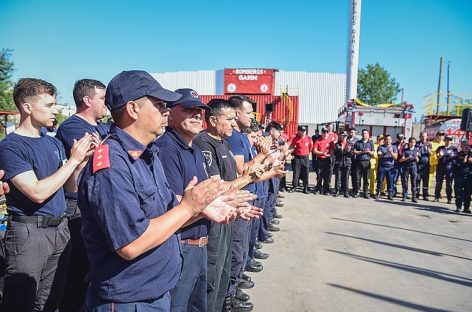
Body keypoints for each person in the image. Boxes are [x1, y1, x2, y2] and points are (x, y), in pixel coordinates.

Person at [77, 70, 230, 311]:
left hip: (155, 292)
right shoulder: (111, 165)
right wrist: (189, 207)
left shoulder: (147, 155)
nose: (166, 111)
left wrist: (202, 207)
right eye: (159, 104)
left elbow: (166, 208)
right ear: (132, 109)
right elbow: (131, 244)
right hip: (128, 300)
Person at [0, 78, 96, 311]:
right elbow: (37, 193)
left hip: (60, 229)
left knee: (52, 300)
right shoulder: (12, 146)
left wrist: (80, 163)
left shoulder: (52, 143)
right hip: (30, 234)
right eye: (49, 105)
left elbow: (69, 189)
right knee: (21, 302)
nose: (55, 111)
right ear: (27, 107)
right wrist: (72, 161)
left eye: (55, 105)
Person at [193, 98, 266, 312]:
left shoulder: (223, 142)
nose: (234, 124)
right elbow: (218, 187)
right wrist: (248, 178)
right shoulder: (204, 144)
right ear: (214, 120)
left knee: (224, 272)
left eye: (235, 119)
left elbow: (232, 177)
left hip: (227, 215)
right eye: (230, 119)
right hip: (212, 222)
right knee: (212, 277)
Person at [154, 88, 213, 312]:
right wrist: (211, 207)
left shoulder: (195, 150)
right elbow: (172, 201)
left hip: (199, 245)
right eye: (189, 109)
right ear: (170, 113)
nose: (198, 114)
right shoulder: (166, 148)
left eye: (200, 110)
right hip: (180, 246)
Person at [55, 78, 110, 312]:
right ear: (87, 100)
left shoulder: (103, 128)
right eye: (102, 98)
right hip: (77, 205)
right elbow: (99, 154)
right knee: (78, 272)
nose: (107, 103)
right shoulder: (72, 127)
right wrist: (104, 146)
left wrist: (105, 144)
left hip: (95, 203)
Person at [289, 125, 313, 193]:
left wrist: (306, 153)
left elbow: (310, 148)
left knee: (306, 173)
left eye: (304, 131)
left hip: (305, 158)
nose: (303, 132)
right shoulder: (295, 138)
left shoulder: (309, 139)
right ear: (298, 131)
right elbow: (292, 147)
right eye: (301, 131)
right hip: (297, 158)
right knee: (296, 173)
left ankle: (305, 188)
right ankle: (294, 187)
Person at [434, 135, 457, 204]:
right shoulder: (440, 148)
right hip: (441, 167)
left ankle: (449, 198)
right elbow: (438, 156)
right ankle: (437, 197)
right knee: (438, 183)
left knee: (449, 184)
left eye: (450, 140)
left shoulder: (454, 148)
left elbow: (455, 157)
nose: (448, 141)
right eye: (447, 139)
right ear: (445, 140)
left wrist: (453, 156)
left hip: (449, 167)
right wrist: (440, 155)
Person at [376, 134, 398, 200]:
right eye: (386, 139)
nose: (388, 141)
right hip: (382, 166)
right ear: (384, 140)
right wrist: (385, 153)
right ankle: (378, 193)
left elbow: (395, 157)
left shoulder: (394, 147)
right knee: (380, 180)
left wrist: (391, 152)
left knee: (390, 181)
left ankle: (390, 194)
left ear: (391, 140)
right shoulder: (380, 147)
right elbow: (379, 156)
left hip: (391, 167)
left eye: (389, 139)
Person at [353, 129, 374, 198]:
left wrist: (368, 151)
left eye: (366, 133)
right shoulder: (357, 142)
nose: (364, 135)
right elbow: (354, 152)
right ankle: (357, 192)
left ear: (368, 135)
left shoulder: (371, 143)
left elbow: (373, 153)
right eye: (363, 133)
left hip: (367, 162)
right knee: (357, 179)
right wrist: (361, 151)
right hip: (358, 162)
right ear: (361, 135)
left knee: (366, 179)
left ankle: (365, 193)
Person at [312, 128, 334, 195]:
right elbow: (314, 151)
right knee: (319, 175)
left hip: (327, 160)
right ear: (322, 133)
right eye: (324, 132)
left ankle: (326, 190)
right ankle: (318, 188)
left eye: (326, 132)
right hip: (320, 160)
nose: (325, 134)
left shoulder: (330, 141)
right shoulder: (318, 141)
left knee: (326, 175)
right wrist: (322, 153)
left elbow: (332, 151)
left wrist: (329, 154)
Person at [453, 141, 472, 213]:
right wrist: (462, 162)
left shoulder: (471, 154)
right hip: (459, 176)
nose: (467, 147)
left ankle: (466, 207)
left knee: (468, 193)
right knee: (458, 192)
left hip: (469, 177)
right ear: (461, 147)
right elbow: (454, 165)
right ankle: (458, 206)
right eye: (465, 145)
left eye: (468, 145)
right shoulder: (458, 155)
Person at [399, 137, 419, 202]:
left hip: (413, 166)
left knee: (414, 181)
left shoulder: (417, 150)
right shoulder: (405, 150)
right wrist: (408, 158)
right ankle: (404, 196)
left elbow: (418, 160)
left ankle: (414, 197)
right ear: (409, 142)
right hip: (406, 166)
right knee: (405, 181)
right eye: (411, 142)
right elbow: (401, 159)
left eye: (414, 142)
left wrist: (416, 157)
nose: (412, 144)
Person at [333, 131, 352, 197]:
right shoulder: (337, 144)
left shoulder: (350, 144)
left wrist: (349, 151)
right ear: (340, 136)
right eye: (343, 135)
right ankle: (337, 191)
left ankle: (346, 192)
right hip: (339, 162)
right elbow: (335, 153)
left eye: (345, 136)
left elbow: (351, 154)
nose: (344, 137)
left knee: (346, 178)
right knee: (338, 178)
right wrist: (341, 150)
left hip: (347, 162)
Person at [416, 131, 432, 200]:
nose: (423, 137)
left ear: (427, 137)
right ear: (420, 137)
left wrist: (428, 149)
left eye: (425, 136)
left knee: (426, 180)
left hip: (426, 164)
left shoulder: (429, 144)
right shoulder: (417, 143)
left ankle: (425, 195)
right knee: (417, 179)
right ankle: (416, 194)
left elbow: (431, 153)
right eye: (422, 136)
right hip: (418, 164)